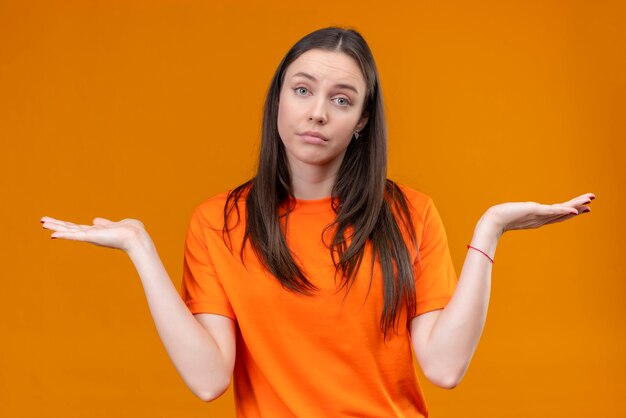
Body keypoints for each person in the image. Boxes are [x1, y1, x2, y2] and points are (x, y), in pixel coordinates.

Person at [41, 27, 594, 417]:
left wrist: (489, 232)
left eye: (342, 99)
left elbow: (445, 368)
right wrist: (141, 249)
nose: (318, 112)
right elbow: (209, 379)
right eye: (302, 90)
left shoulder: (410, 214)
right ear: (278, 100)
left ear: (359, 122)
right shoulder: (219, 222)